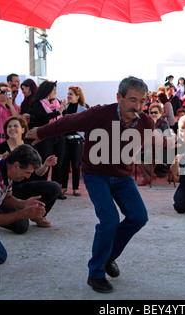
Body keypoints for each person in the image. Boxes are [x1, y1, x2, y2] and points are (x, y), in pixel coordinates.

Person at [26, 76, 155, 294]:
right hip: (96, 174)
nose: (139, 106)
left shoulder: (146, 123)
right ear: (119, 97)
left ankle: (107, 258)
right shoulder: (100, 114)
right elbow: (68, 121)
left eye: (143, 101)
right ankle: (95, 273)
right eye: (133, 100)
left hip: (122, 178)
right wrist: (40, 132)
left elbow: (142, 150)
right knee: (109, 220)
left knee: (139, 217)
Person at [0, 116, 60, 230]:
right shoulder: (1, 147)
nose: (12, 128)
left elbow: (38, 172)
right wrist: (4, 162)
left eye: (15, 126)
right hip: (9, 192)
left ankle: (39, 215)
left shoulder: (30, 147)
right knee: (21, 226)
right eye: (9, 126)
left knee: (55, 187)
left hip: (26, 187)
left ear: (23, 129)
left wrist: (46, 165)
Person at [31, 80, 66, 196]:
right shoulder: (37, 103)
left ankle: (57, 190)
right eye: (53, 90)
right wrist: (58, 112)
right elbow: (42, 118)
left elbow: (62, 118)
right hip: (45, 137)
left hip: (59, 136)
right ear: (47, 91)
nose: (55, 92)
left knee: (58, 163)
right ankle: (41, 189)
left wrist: (60, 111)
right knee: (45, 162)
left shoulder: (57, 103)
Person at [61, 86, 87, 197]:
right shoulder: (64, 108)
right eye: (68, 94)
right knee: (64, 164)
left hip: (77, 139)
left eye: (71, 94)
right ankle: (64, 187)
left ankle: (75, 188)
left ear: (77, 96)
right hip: (65, 139)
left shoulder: (83, 109)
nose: (68, 96)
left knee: (76, 164)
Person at [137, 102, 170, 186]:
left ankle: (149, 175)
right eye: (151, 112)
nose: (153, 114)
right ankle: (148, 176)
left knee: (137, 155)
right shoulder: (149, 123)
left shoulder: (164, 123)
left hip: (162, 150)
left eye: (156, 112)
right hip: (150, 148)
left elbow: (163, 138)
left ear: (161, 113)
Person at [0, 82, 20, 155]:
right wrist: (0, 89)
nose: (4, 94)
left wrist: (10, 104)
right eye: (2, 93)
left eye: (6, 92)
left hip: (11, 139)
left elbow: (17, 119)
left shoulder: (13, 106)